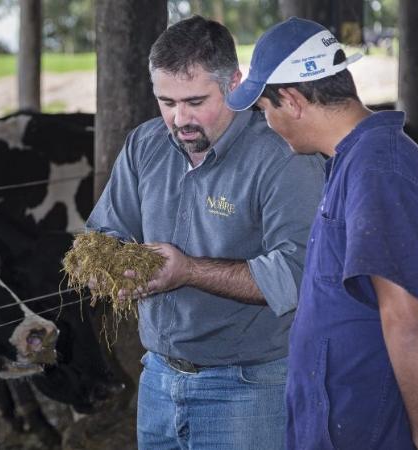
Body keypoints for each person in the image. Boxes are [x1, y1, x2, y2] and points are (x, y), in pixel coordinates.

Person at [84, 16, 325, 450]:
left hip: (249, 385)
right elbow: (104, 233)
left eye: (196, 101)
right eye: (166, 101)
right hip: (157, 377)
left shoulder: (282, 155)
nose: (179, 119)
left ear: (235, 82)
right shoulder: (145, 144)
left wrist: (189, 271)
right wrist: (109, 268)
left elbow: (299, 272)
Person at [226, 17, 418, 450]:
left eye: (264, 109)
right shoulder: (353, 161)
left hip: (369, 423)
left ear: (291, 100)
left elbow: (406, 319)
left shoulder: (378, 171)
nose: (268, 123)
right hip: (342, 417)